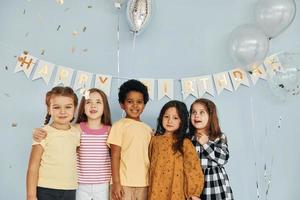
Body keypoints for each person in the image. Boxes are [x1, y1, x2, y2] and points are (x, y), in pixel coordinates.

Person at [33, 88, 112, 200]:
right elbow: (59, 132)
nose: (93, 106)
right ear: (82, 107)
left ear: (105, 107)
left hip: (103, 184)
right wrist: (36, 132)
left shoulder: (110, 131)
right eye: (88, 102)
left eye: (98, 102)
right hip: (79, 184)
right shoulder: (76, 129)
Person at [26, 86, 81, 200]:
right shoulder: (43, 133)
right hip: (45, 189)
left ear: (74, 109)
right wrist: (31, 195)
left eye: (68, 107)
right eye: (56, 107)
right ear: (49, 109)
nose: (62, 111)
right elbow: (33, 166)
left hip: (69, 189)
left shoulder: (77, 132)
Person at [148, 100, 204, 200]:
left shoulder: (185, 143)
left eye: (175, 118)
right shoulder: (154, 140)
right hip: (155, 189)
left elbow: (193, 168)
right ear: (161, 118)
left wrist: (194, 193)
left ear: (181, 121)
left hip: (176, 191)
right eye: (166, 117)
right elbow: (148, 163)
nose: (170, 121)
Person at [107, 79, 152, 200]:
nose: (135, 105)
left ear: (144, 104)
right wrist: (116, 183)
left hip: (144, 183)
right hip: (123, 183)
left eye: (139, 102)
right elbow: (115, 155)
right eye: (130, 101)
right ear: (122, 104)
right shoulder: (119, 126)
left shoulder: (148, 130)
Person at [189, 98, 234, 200]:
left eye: (202, 112)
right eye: (193, 112)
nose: (197, 115)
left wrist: (206, 144)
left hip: (215, 184)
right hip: (194, 183)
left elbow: (223, 159)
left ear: (211, 116)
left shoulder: (218, 136)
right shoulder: (188, 139)